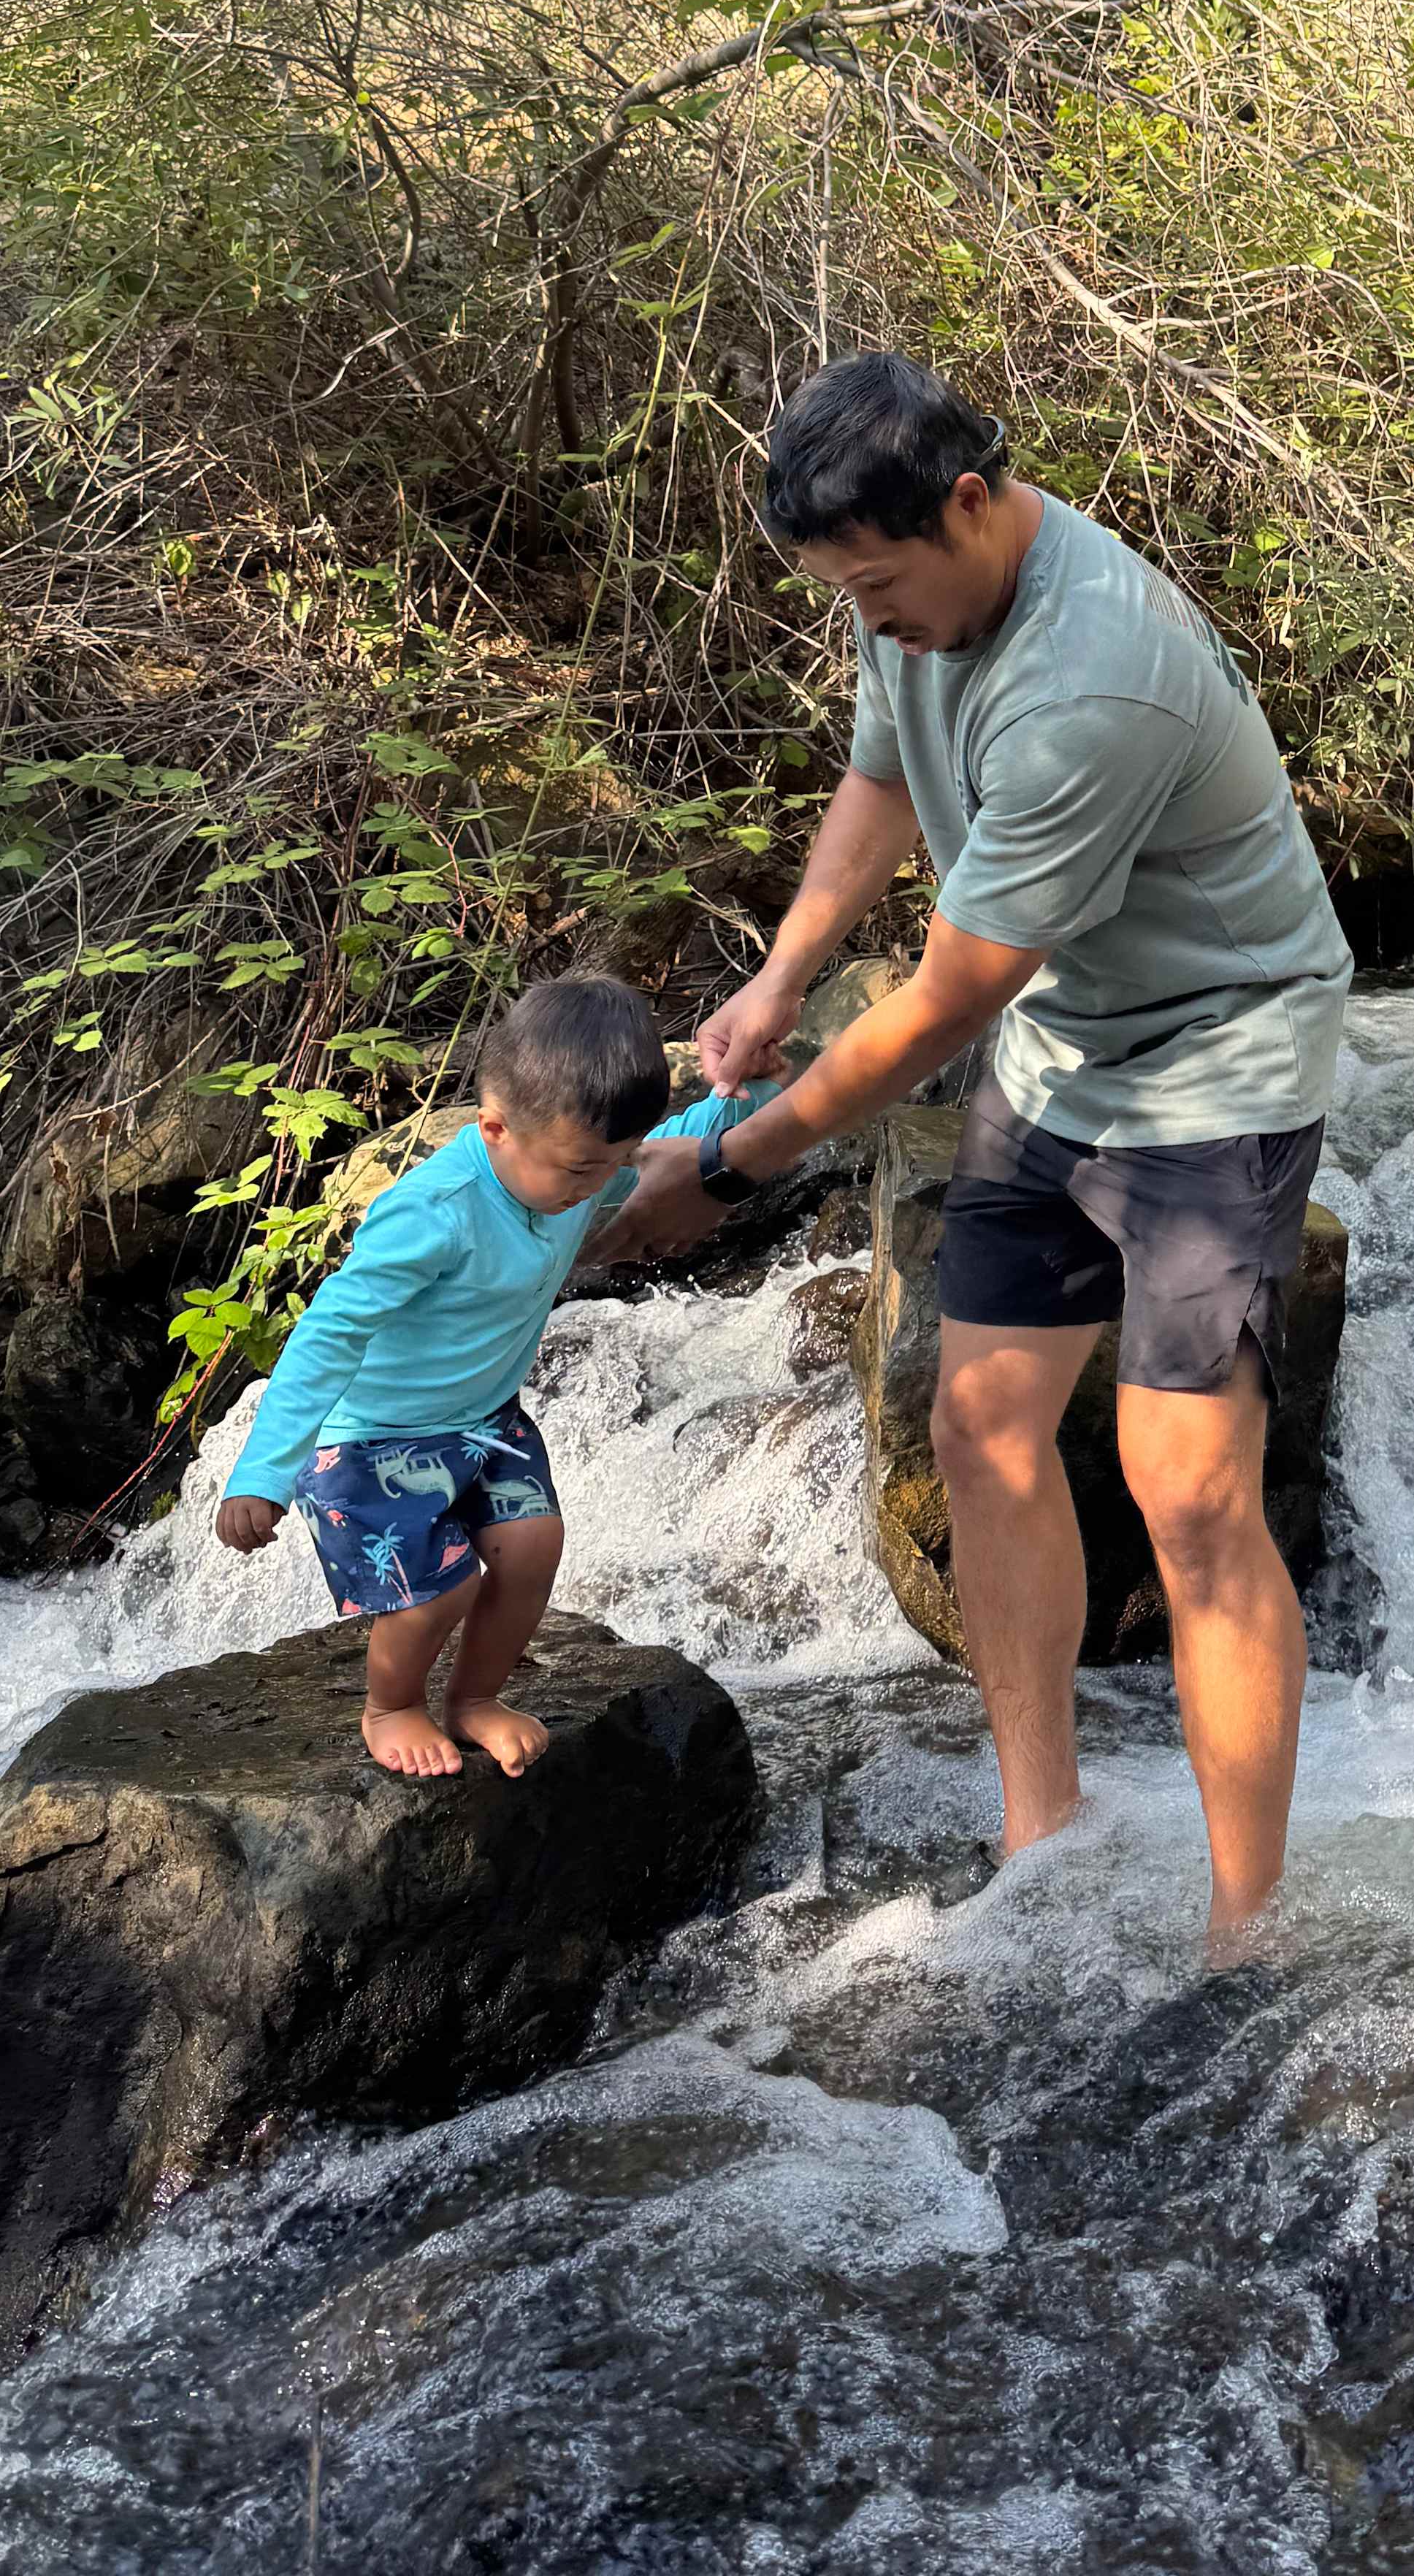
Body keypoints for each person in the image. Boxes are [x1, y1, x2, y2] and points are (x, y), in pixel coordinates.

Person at [614, 352, 1354, 1946]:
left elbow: (950, 995)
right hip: (1071, 1050)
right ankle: (1047, 1840)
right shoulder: (918, 600)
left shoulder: (1093, 679)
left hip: (1219, 1061)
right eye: (846, 595)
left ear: (971, 503)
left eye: (880, 585)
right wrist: (781, 977)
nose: (873, 621)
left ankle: (1250, 1921)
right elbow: (880, 776)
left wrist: (734, 1165)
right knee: (981, 1421)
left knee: (1188, 1488)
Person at [214, 976, 763, 1778]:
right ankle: (391, 1705)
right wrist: (262, 1469)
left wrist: (752, 1097)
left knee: (534, 1545)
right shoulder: (433, 1212)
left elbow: (662, 1151)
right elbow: (328, 1335)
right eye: (580, 1171)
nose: (594, 1190)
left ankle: (473, 1698)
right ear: (494, 1127)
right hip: (370, 1438)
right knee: (438, 1589)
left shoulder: (573, 1157)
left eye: (605, 1166)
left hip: (483, 1420)